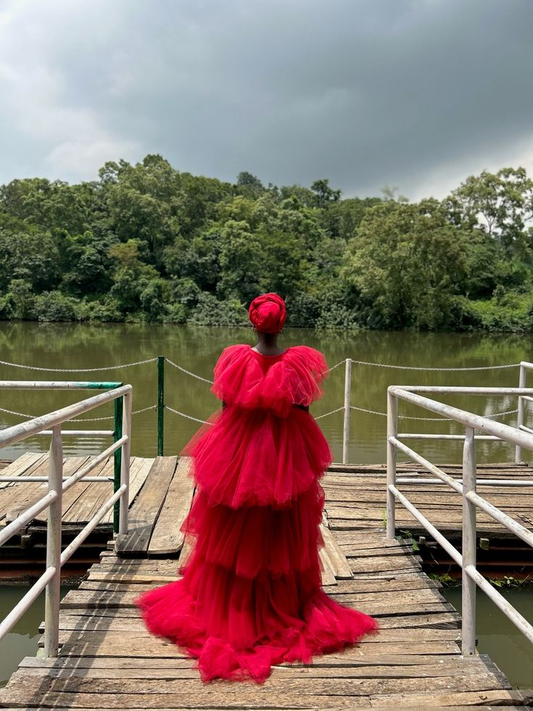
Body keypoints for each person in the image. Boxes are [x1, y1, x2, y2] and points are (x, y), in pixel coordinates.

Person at [134, 292, 378, 683]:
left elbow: (230, 408)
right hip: (285, 454)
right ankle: (281, 604)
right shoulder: (297, 362)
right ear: (282, 324)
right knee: (282, 528)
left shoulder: (235, 359)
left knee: (233, 526)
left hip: (238, 451)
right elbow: (302, 409)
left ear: (253, 322)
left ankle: (232, 608)